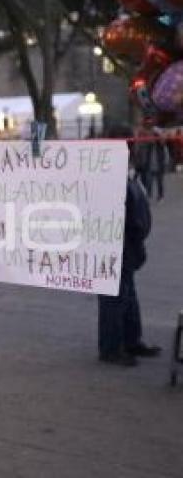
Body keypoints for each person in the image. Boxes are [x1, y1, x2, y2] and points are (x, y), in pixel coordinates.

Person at [97, 125, 161, 367]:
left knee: (128, 295)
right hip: (114, 244)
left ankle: (132, 340)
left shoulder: (125, 170)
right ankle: (110, 348)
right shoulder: (106, 173)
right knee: (114, 298)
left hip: (128, 244)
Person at [135, 127, 168, 201]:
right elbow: (142, 152)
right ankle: (148, 195)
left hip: (159, 165)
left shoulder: (161, 147)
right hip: (150, 166)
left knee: (159, 182)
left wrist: (165, 163)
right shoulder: (148, 145)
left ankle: (160, 196)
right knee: (149, 182)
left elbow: (165, 153)